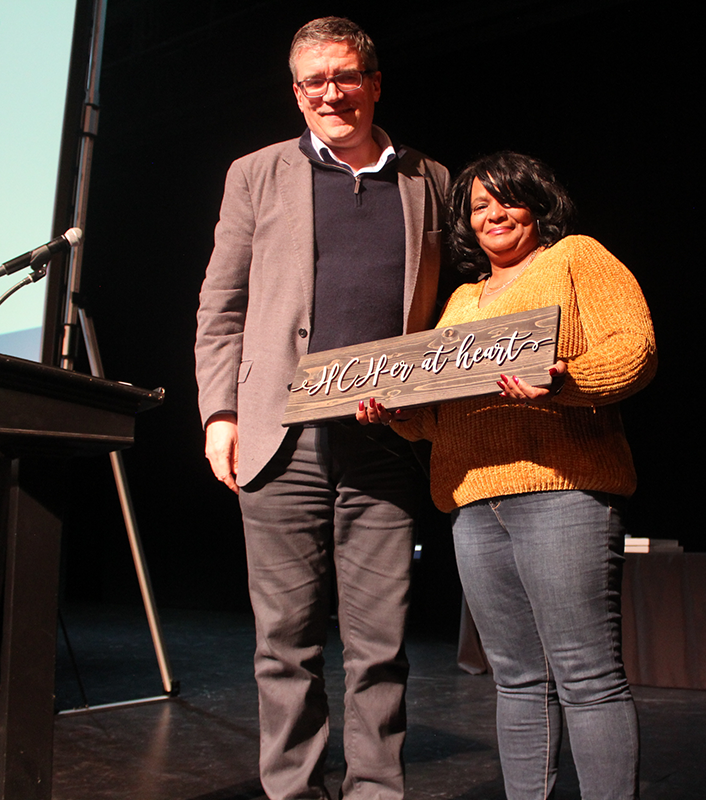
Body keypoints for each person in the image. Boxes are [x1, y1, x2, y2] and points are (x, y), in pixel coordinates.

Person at [194, 17, 448, 800]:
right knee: (285, 644)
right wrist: (219, 414)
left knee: (381, 646)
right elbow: (221, 306)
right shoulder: (256, 174)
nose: (330, 93)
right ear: (297, 92)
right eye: (314, 81)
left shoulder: (430, 180)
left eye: (345, 76)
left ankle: (376, 792)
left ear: (374, 82)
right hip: (281, 439)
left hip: (387, 443)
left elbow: (455, 307)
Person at [358, 152, 656, 799]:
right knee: (517, 678)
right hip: (474, 502)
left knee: (586, 675)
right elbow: (437, 416)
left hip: (561, 491)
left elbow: (635, 349)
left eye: (507, 199)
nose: (493, 214)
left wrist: (567, 379)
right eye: (479, 206)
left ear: (538, 205)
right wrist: (397, 414)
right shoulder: (461, 300)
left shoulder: (575, 257)